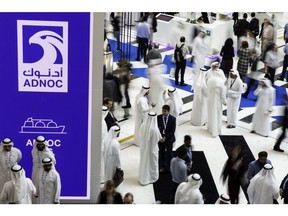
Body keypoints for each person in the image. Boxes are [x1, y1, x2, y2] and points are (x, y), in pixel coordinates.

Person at [138, 112, 161, 185]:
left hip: (144, 149)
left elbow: (140, 134)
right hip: (152, 150)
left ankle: (143, 178)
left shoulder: (143, 126)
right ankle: (151, 178)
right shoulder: (154, 129)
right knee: (151, 164)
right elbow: (157, 140)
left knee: (144, 163)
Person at [31, 135, 56, 204]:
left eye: (42, 144)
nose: (40, 146)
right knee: (35, 189)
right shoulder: (34, 152)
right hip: (35, 173)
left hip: (45, 173)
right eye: (38, 144)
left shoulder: (48, 153)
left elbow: (53, 162)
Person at [207, 63, 227, 137]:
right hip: (217, 101)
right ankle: (217, 130)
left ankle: (210, 128)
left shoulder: (210, 80)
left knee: (211, 113)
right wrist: (224, 101)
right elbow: (223, 94)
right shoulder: (221, 83)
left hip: (210, 100)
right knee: (217, 115)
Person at [157, 105, 176, 172]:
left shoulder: (173, 119)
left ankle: (170, 166)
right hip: (161, 139)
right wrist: (160, 137)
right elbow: (157, 129)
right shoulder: (158, 118)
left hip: (169, 138)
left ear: (168, 111)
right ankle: (162, 166)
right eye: (162, 111)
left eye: (165, 111)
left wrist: (165, 137)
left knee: (169, 153)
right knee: (161, 153)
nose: (163, 112)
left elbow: (172, 131)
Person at [101, 105, 109, 183]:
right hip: (102, 145)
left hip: (102, 144)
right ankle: (101, 178)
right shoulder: (102, 122)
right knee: (101, 162)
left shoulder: (102, 120)